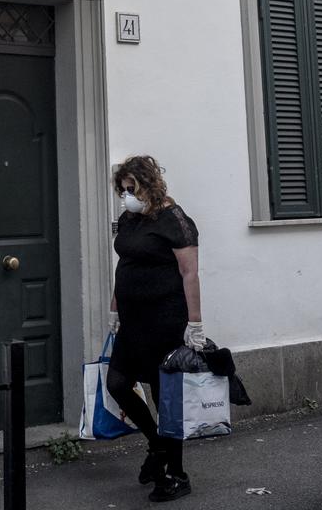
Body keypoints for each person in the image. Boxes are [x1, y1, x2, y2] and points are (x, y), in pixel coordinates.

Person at [107, 155, 204, 502]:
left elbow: (189, 273)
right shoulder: (129, 219)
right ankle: (156, 444)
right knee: (117, 383)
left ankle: (177, 476)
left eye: (130, 188)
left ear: (148, 184)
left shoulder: (174, 219)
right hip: (132, 320)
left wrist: (195, 324)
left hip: (165, 320)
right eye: (122, 189)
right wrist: (114, 309)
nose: (126, 195)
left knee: (167, 399)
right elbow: (125, 265)